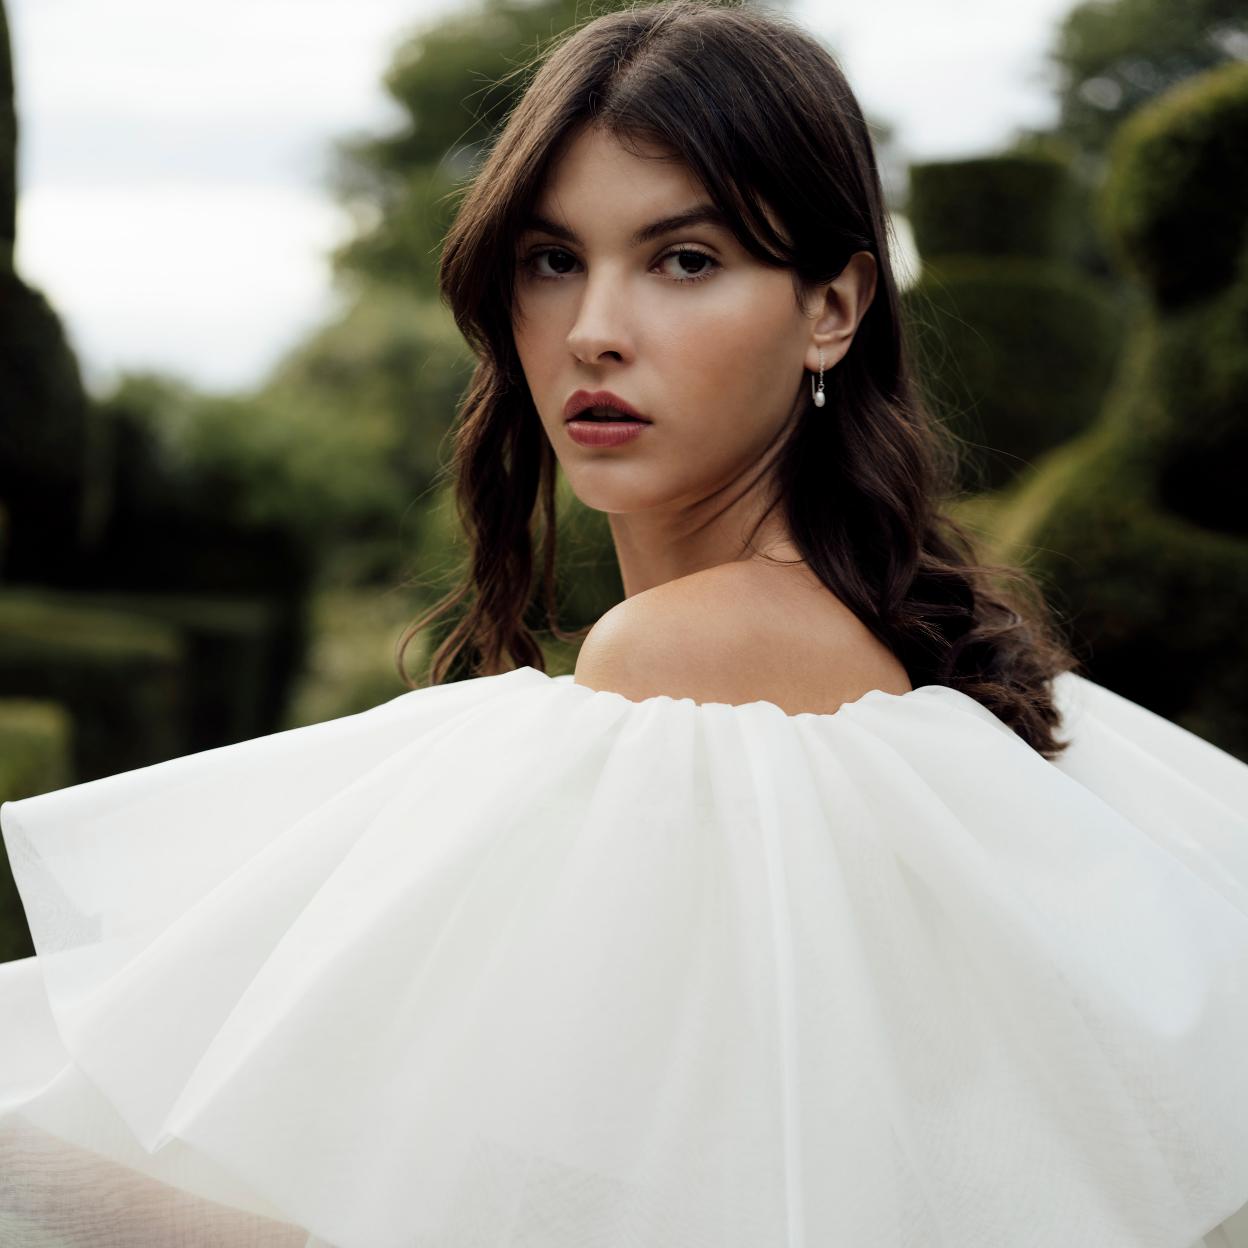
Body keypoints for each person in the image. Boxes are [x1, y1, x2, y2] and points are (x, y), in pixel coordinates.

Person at [1, 2, 1246, 1244]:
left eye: (684, 259)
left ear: (833, 306)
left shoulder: (682, 663)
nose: (595, 329)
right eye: (552, 260)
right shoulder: (887, 642)